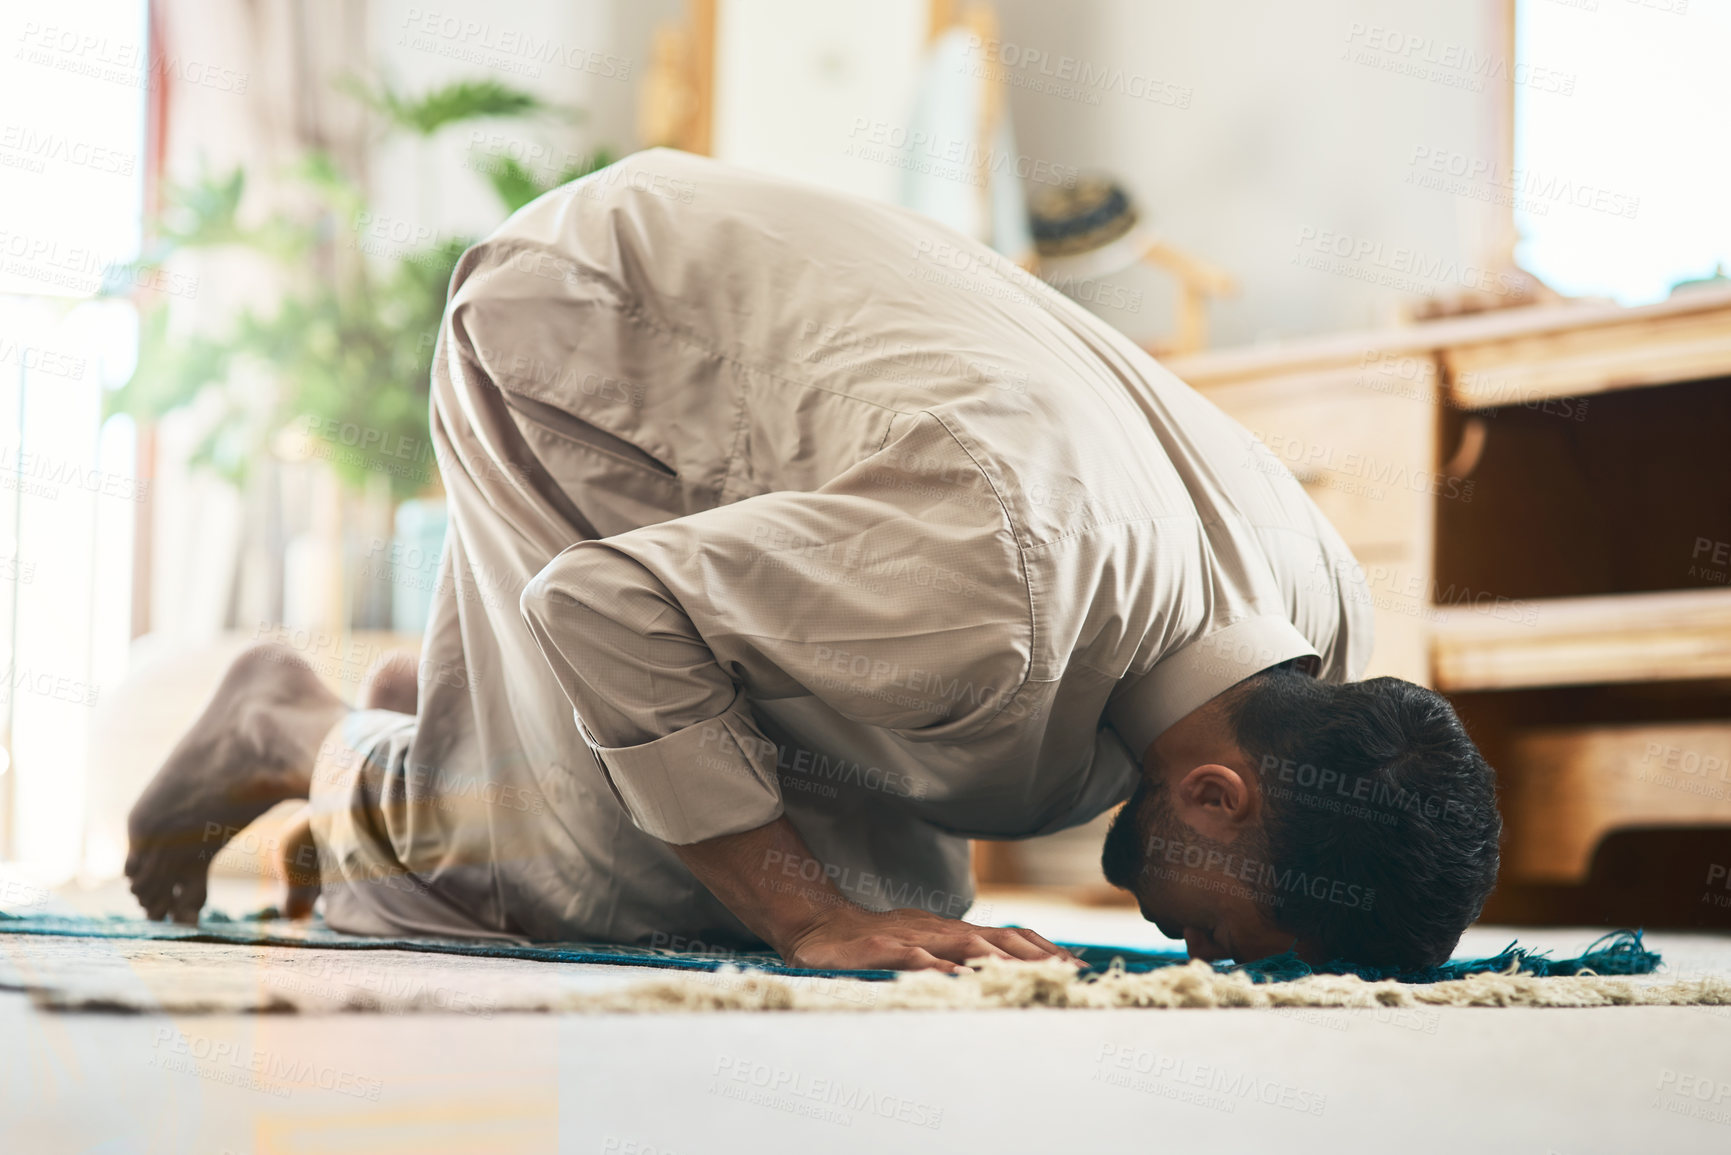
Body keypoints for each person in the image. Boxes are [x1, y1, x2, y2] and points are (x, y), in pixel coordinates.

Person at [125, 149, 1500, 973]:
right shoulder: (997, 592)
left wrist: (846, 913)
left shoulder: (1320, 598)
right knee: (606, 894)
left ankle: (473, 715)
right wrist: (804, 921)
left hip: (791, 411)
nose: (1199, 957)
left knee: (914, 913)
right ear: (1220, 791)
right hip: (587, 320)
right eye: (1228, 940)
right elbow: (602, 604)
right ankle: (297, 724)